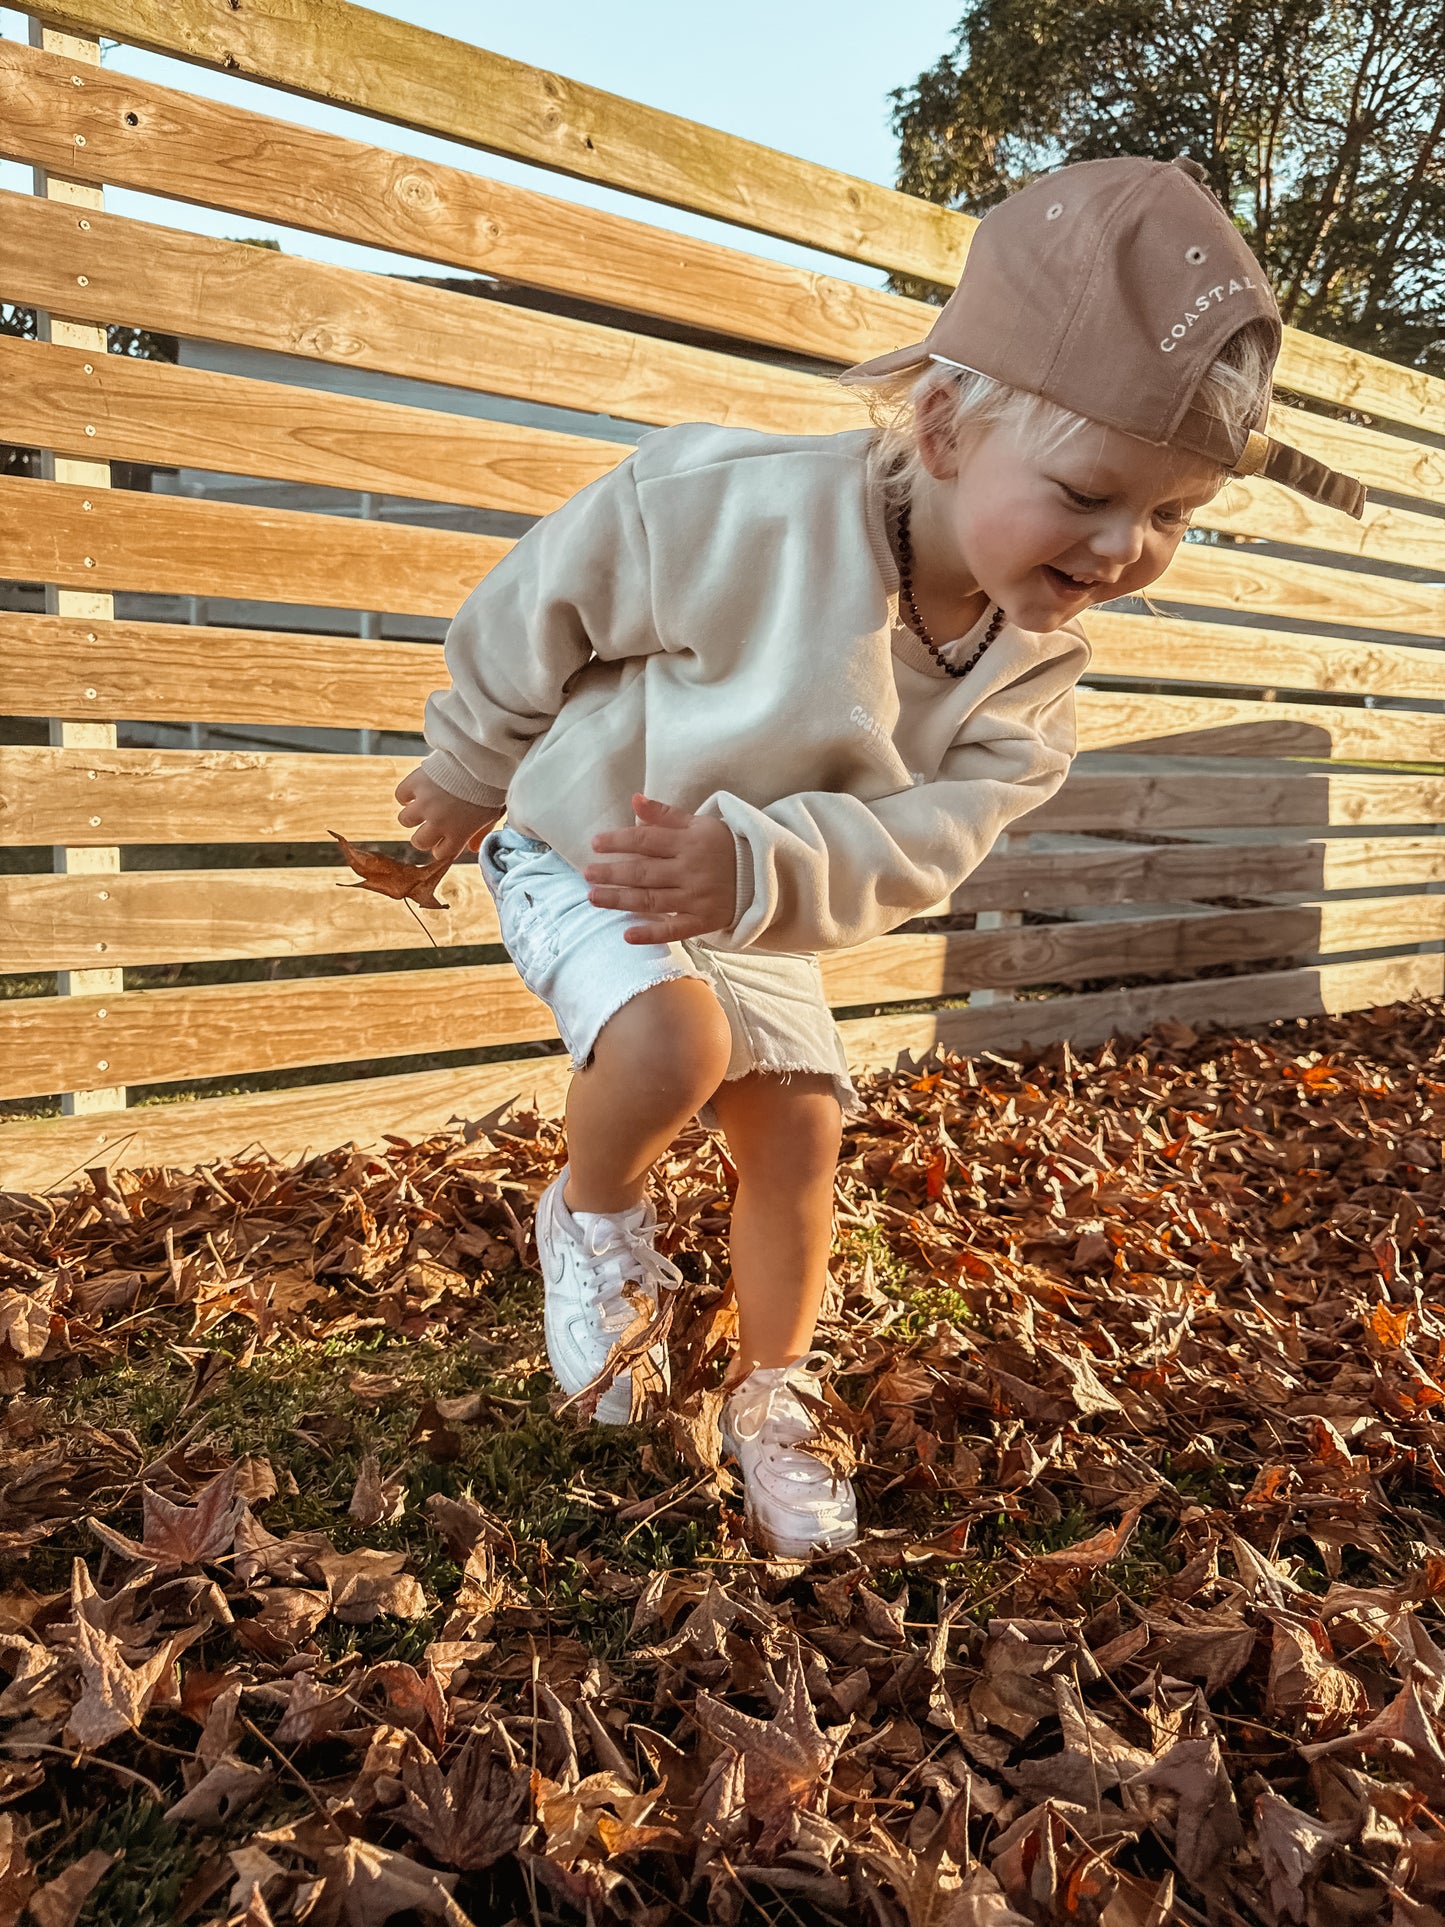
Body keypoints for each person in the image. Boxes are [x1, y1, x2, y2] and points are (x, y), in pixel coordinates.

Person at [393, 155, 1365, 1560]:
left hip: (759, 890)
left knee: (796, 1124)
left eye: (1170, 516)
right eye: (1091, 491)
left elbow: (931, 839)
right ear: (944, 421)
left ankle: (771, 1389)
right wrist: (471, 764)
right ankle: (589, 1216)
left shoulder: (1029, 675)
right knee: (672, 1048)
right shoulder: (734, 506)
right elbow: (549, 593)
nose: (1122, 548)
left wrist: (761, 872)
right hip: (592, 843)